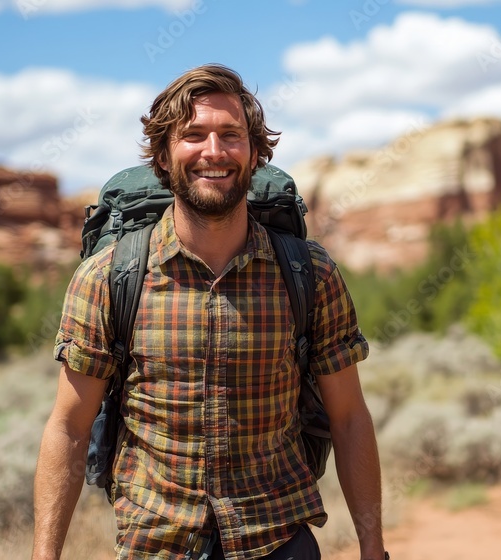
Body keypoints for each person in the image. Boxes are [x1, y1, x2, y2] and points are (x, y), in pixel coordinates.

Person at [32, 64, 386, 560]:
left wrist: (373, 549)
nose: (214, 151)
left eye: (231, 135)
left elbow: (349, 418)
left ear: (256, 153)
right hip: (157, 544)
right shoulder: (109, 277)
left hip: (278, 540)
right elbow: (69, 427)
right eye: (193, 135)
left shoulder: (310, 273)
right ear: (163, 156)